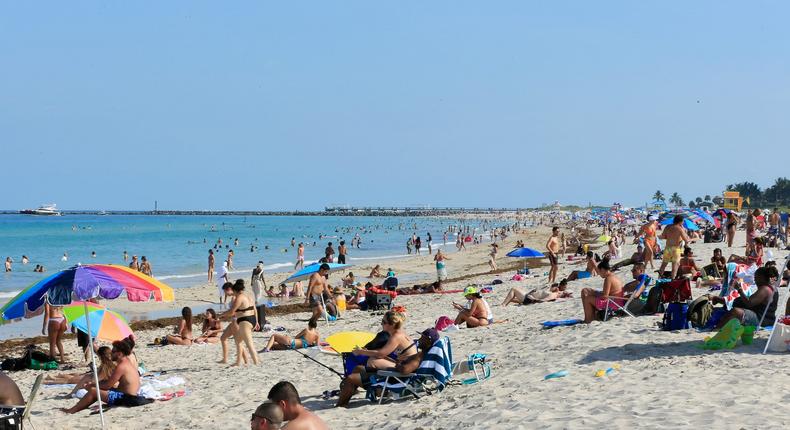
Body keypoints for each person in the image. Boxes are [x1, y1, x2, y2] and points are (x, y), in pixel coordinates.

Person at [336, 328, 438, 408]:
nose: (419, 339)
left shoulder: (419, 357)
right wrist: (398, 360)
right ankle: (349, 392)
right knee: (358, 368)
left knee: (350, 379)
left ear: (428, 341)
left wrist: (398, 364)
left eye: (422, 337)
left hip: (392, 378)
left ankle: (341, 404)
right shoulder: (423, 354)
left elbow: (405, 370)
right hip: (393, 374)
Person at [63, 336, 150, 414]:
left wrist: (92, 384)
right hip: (130, 396)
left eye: (113, 351)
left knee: (94, 391)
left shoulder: (121, 366)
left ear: (119, 354)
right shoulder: (127, 363)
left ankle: (72, 410)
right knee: (97, 389)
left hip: (126, 399)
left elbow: (108, 385)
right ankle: (79, 407)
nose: (111, 353)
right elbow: (111, 383)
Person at [713, 266, 778, 328]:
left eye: (756, 278)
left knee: (736, 311)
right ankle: (723, 303)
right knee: (739, 301)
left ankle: (717, 328)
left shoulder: (765, 289)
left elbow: (749, 303)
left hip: (762, 320)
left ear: (761, 278)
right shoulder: (772, 287)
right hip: (768, 319)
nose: (755, 281)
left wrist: (739, 289)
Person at [350, 311, 417, 370]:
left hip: (405, 369)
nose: (381, 324)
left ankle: (374, 382)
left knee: (372, 361)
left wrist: (361, 352)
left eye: (384, 322)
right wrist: (366, 351)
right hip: (407, 365)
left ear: (392, 325)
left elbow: (380, 354)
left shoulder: (396, 337)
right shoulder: (401, 334)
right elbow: (383, 353)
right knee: (373, 357)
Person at [225, 279, 260, 366]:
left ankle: (256, 363)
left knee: (249, 344)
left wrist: (219, 316)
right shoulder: (249, 296)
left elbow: (231, 312)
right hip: (252, 319)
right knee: (238, 340)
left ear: (235, 290)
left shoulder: (239, 297)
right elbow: (255, 309)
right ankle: (238, 362)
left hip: (245, 321)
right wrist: (256, 321)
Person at [580, 258, 624, 323]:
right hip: (617, 301)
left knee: (588, 299)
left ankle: (588, 319)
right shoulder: (614, 276)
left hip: (613, 303)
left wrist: (595, 294)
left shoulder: (608, 279)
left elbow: (604, 297)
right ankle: (591, 316)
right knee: (585, 291)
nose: (599, 274)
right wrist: (595, 293)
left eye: (599, 272)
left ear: (603, 270)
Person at [656, 215, 695, 280]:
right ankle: (673, 280)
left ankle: (659, 278)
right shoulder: (680, 229)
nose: (683, 223)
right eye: (683, 221)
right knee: (674, 266)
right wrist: (693, 239)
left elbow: (663, 236)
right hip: (676, 249)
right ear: (680, 221)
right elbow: (686, 240)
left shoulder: (668, 227)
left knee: (663, 265)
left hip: (668, 248)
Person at [218, 283, 248, 365]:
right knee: (223, 338)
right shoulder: (233, 298)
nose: (225, 294)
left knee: (238, 342)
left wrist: (222, 316)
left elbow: (233, 312)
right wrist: (223, 318)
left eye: (225, 292)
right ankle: (225, 359)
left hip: (236, 321)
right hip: (233, 320)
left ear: (229, 289)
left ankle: (244, 361)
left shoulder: (235, 298)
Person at [501, 279, 570, 306]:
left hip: (528, 298)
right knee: (512, 296)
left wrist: (533, 299)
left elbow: (542, 300)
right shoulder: (552, 292)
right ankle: (507, 301)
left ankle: (503, 305)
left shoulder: (554, 294)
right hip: (528, 296)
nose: (555, 288)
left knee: (513, 289)